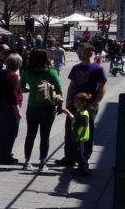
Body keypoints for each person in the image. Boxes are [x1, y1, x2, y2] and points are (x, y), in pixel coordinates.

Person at [57, 44, 106, 174]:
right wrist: (68, 101)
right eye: (78, 51)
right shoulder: (76, 68)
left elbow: (102, 88)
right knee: (70, 130)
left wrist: (94, 103)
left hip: (88, 105)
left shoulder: (98, 69)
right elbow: (72, 85)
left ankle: (84, 160)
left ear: (89, 53)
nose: (78, 54)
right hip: (74, 104)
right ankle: (69, 157)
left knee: (85, 132)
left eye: (81, 51)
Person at [19, 49, 62, 171]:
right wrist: (60, 105)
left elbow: (22, 88)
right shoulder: (51, 71)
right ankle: (42, 162)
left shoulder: (26, 71)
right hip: (48, 107)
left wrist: (31, 90)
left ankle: (27, 161)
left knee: (30, 135)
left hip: (32, 107)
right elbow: (59, 88)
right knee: (45, 135)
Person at [0, 53, 23, 165]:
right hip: (9, 108)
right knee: (11, 133)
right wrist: (17, 111)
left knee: (3, 132)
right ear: (18, 64)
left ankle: (4, 154)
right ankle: (5, 156)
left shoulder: (2, 73)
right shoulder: (13, 77)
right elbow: (13, 95)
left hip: (0, 106)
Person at [60, 93, 93, 176]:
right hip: (77, 138)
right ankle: (80, 168)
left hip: (81, 139)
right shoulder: (79, 112)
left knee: (82, 155)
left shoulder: (84, 114)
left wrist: (80, 136)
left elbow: (85, 126)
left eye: (76, 101)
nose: (74, 103)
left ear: (83, 103)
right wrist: (68, 113)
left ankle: (85, 170)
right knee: (77, 154)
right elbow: (74, 119)